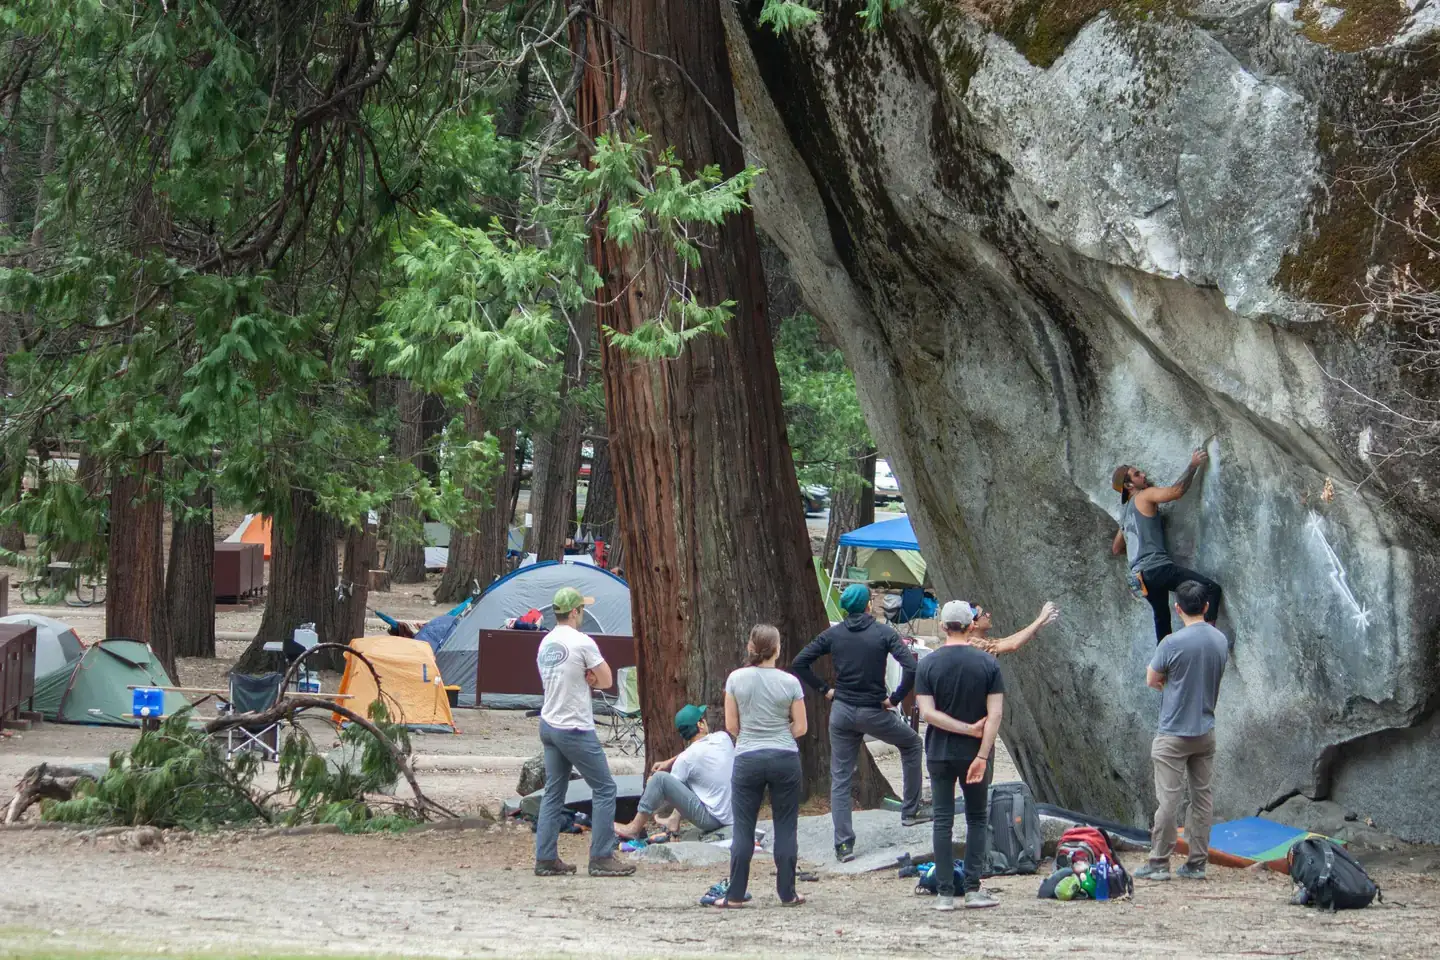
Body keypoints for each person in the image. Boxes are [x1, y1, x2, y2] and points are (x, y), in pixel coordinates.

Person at [791, 583, 927, 862]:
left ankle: (843, 845)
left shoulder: (834, 634)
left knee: (840, 777)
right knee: (912, 744)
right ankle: (910, 811)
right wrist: (896, 698)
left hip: (841, 711)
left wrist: (824, 690)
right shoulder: (883, 633)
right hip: (873, 710)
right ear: (867, 606)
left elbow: (800, 662)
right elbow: (912, 666)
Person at [533, 587, 635, 878]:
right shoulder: (582, 642)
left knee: (554, 792)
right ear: (575, 612)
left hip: (549, 723)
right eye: (583, 610)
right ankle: (602, 856)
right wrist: (592, 678)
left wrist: (584, 677)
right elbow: (605, 679)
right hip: (574, 725)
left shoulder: (545, 643)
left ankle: (545, 857)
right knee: (604, 788)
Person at [1134, 581, 1229, 882]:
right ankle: (1197, 863)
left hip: (1173, 733)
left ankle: (1159, 861)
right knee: (1202, 798)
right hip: (1205, 731)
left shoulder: (1171, 643)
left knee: (1169, 800)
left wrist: (1169, 684)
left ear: (1178, 609)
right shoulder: (1220, 640)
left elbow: (1152, 679)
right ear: (1205, 607)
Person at [915, 600, 1005, 912]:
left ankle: (943, 893)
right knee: (977, 817)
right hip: (974, 755)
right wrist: (980, 751)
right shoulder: (988, 664)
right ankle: (972, 888)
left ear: (942, 627)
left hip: (939, 751)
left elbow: (927, 713)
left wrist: (961, 728)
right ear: (970, 627)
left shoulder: (927, 664)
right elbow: (994, 716)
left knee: (942, 819)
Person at [715, 624, 807, 908]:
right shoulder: (790, 682)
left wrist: (753, 736)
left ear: (750, 648)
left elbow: (731, 725)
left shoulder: (736, 679)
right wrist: (778, 735)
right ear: (777, 649)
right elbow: (801, 727)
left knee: (743, 828)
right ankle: (787, 893)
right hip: (784, 758)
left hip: (748, 758)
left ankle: (736, 893)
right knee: (786, 826)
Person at [1111, 448, 1223, 644]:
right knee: (1211, 588)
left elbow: (1116, 548)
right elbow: (1176, 492)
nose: (1143, 474)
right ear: (1129, 485)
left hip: (1140, 579)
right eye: (1137, 474)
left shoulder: (1124, 515)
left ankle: (1164, 666)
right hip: (1157, 568)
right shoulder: (1144, 495)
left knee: (1162, 619)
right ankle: (1208, 641)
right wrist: (1193, 465)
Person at [614, 704, 734, 839]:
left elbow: (669, 791)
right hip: (733, 814)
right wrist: (670, 763)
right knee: (691, 776)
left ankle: (634, 828)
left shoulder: (686, 759)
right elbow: (696, 754)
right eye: (703, 718)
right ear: (700, 725)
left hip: (713, 820)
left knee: (660, 779)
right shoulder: (723, 738)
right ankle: (673, 821)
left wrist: (653, 783)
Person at [967, 601, 1061, 656]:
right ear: (974, 623)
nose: (988, 614)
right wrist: (1040, 618)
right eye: (983, 614)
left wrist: (1039, 624)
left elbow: (1007, 640)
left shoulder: (980, 639)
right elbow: (1013, 645)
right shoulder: (971, 644)